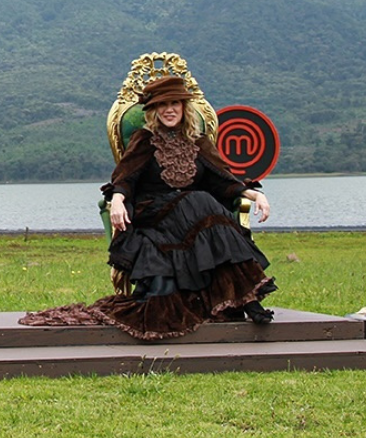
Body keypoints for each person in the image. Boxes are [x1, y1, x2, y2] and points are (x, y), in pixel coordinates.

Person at [21, 76, 275, 340]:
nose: (169, 109)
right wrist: (118, 199)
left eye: (174, 103)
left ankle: (247, 300)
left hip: (193, 222)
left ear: (184, 107)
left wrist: (253, 195)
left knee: (205, 206)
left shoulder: (199, 142)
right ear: (153, 110)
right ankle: (249, 300)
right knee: (200, 201)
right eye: (162, 104)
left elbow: (222, 180)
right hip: (156, 216)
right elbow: (125, 177)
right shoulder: (144, 139)